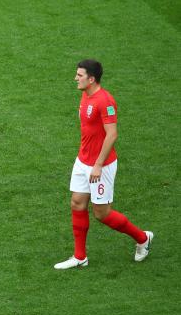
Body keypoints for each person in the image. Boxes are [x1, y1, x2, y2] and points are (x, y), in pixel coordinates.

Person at [54, 60, 153, 269]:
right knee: (77, 203)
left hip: (101, 165)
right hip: (83, 160)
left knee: (102, 213)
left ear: (91, 79)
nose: (75, 78)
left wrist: (98, 165)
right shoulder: (85, 94)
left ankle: (143, 238)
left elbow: (112, 134)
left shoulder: (105, 101)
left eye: (79, 75)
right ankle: (80, 257)